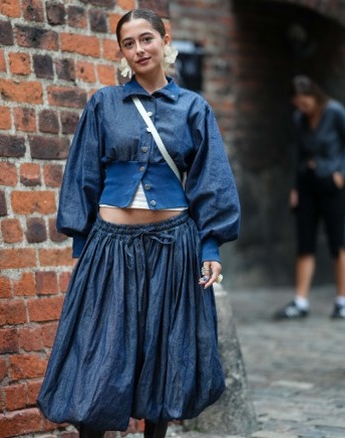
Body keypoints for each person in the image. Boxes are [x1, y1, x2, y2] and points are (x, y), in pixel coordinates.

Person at [36, 8, 240, 438]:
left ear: (165, 39)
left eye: (146, 39)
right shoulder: (104, 104)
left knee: (164, 352)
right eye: (128, 44)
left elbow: (211, 180)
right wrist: (83, 246)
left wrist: (210, 247)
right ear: (122, 52)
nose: (139, 50)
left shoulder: (193, 108)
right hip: (110, 246)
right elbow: (83, 175)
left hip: (174, 247)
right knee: (98, 352)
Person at [274, 75, 345, 320]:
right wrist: (295, 188)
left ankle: (342, 301)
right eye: (298, 104)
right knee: (305, 243)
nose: (302, 107)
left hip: (332, 185)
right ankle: (301, 301)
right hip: (307, 185)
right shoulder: (299, 119)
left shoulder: (334, 112)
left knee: (339, 243)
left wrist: (341, 174)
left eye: (305, 103)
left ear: (314, 96)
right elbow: (298, 154)